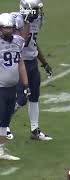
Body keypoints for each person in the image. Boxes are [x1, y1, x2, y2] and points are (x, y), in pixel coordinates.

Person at [10, 0, 53, 141]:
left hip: (32, 63)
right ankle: (3, 124)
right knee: (21, 99)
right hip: (20, 63)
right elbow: (21, 43)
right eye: (34, 10)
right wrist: (27, 23)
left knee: (34, 97)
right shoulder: (17, 21)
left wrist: (44, 62)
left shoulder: (34, 21)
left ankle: (35, 130)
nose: (38, 13)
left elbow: (33, 44)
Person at [0, 13, 30, 160]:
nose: (9, 31)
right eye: (6, 28)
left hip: (12, 87)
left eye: (11, 28)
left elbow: (21, 63)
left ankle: (1, 150)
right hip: (0, 87)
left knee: (5, 120)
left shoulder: (18, 41)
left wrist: (25, 83)